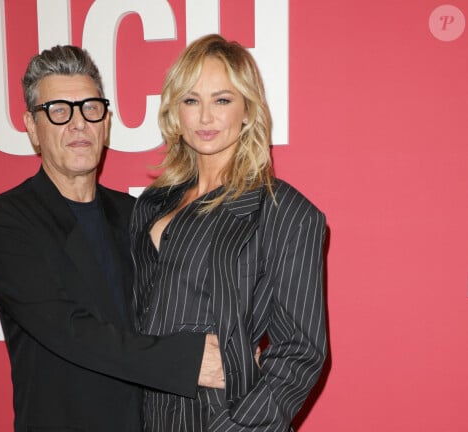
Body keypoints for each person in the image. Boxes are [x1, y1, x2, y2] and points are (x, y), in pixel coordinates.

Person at [0, 45, 224, 432]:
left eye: (90, 108)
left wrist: (236, 344)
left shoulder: (135, 214)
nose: (79, 124)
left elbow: (172, 307)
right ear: (31, 127)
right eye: (59, 111)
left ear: (106, 122)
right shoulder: (10, 220)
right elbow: (70, 330)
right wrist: (188, 361)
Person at [130, 34, 328, 431]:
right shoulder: (152, 204)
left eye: (221, 100)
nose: (205, 118)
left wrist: (237, 426)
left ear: (247, 111)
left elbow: (301, 351)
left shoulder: (284, 211)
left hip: (225, 418)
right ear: (175, 111)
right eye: (191, 100)